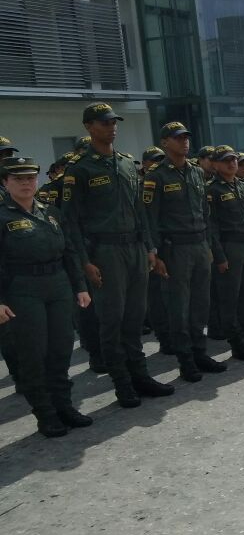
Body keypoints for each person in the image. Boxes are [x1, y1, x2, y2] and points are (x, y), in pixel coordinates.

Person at [63, 103, 174, 408]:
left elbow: (141, 211)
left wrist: (150, 248)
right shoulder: (80, 169)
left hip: (135, 248)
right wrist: (85, 261)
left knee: (135, 319)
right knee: (112, 321)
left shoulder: (127, 163)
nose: (112, 127)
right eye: (104, 123)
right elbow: (70, 223)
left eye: (114, 122)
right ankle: (123, 384)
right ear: (89, 127)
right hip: (105, 251)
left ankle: (141, 376)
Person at [0, 157, 93, 437]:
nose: (26, 183)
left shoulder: (51, 212)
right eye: (18, 179)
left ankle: (64, 406)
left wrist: (80, 286)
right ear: (5, 183)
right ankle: (45, 414)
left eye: (30, 178)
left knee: (61, 349)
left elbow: (69, 253)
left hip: (58, 286)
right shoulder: (2, 217)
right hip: (23, 291)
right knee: (33, 354)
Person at [144, 121, 226, 382]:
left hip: (200, 244)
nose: (184, 142)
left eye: (186, 137)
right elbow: (149, 218)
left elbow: (205, 212)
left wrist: (210, 246)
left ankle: (199, 352)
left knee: (200, 303)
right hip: (174, 248)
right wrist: (154, 253)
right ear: (165, 142)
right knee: (179, 306)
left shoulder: (196, 172)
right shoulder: (156, 176)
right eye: (178, 138)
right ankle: (185, 360)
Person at [207, 145, 244, 361]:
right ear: (215, 165)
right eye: (225, 161)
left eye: (233, 159)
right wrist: (220, 256)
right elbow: (211, 227)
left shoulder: (241, 186)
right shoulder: (212, 190)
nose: (232, 164)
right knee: (230, 299)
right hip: (230, 247)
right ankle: (237, 343)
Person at [140, 146, 173, 355]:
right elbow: (145, 221)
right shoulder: (140, 185)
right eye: (153, 160)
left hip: (170, 245)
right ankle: (164, 337)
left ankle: (176, 334)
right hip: (151, 248)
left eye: (160, 160)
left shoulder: (165, 180)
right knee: (157, 297)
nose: (157, 164)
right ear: (144, 164)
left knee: (172, 295)